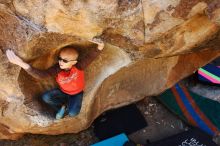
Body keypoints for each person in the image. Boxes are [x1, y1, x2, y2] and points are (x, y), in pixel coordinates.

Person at [6, 38, 104, 119]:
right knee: (46, 97)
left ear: (73, 62)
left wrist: (100, 46)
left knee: (73, 113)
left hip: (76, 94)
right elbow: (42, 75)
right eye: (60, 58)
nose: (61, 62)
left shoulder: (79, 66)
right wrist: (22, 64)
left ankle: (67, 107)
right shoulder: (57, 68)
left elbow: (91, 57)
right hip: (63, 92)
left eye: (65, 60)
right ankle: (62, 107)